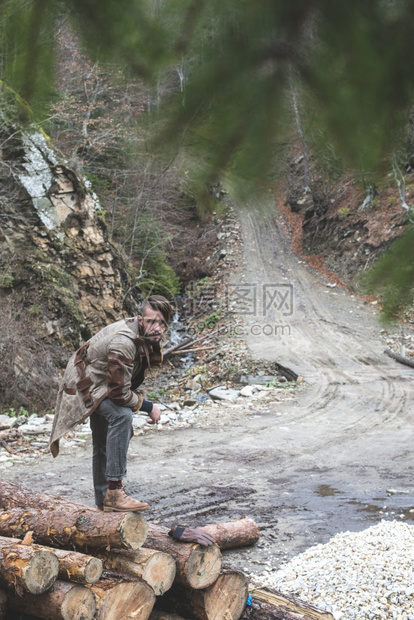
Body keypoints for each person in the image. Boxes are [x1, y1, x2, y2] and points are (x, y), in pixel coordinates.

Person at [50, 295, 171, 512]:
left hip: (98, 379)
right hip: (84, 383)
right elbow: (119, 394)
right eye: (152, 321)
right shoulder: (124, 342)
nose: (157, 328)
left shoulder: (141, 333)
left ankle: (103, 503)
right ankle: (114, 491)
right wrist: (148, 406)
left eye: (162, 322)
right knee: (121, 415)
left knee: (104, 437)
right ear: (140, 320)